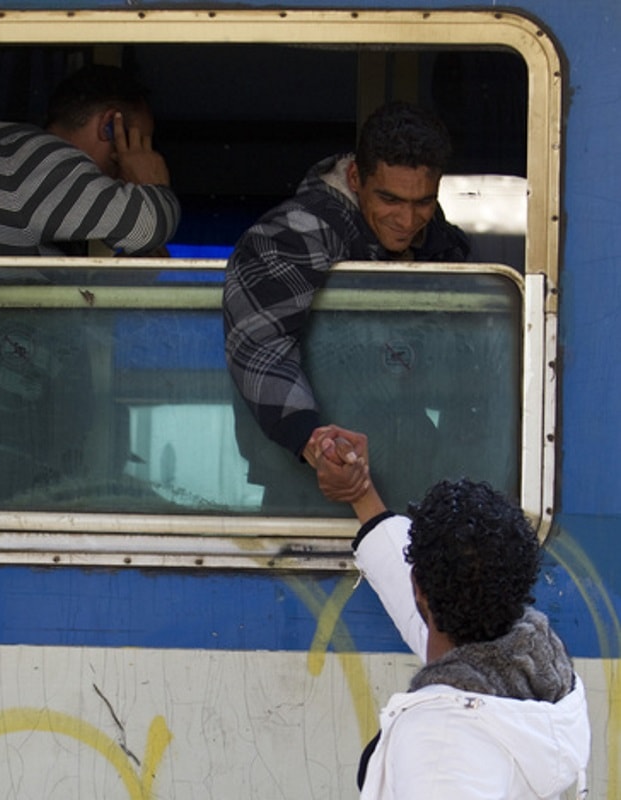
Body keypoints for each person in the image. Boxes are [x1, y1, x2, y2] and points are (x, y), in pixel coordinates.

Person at [311, 428, 590, 800]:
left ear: (420, 590)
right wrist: (361, 494)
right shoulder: (533, 672)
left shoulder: (440, 743)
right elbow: (423, 606)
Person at [223, 102, 469, 473]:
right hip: (308, 477)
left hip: (406, 471)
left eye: (423, 202)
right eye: (390, 199)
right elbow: (260, 346)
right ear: (355, 177)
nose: (407, 220)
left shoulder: (439, 241)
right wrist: (316, 445)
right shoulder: (297, 232)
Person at [0, 63, 180, 257]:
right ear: (110, 125)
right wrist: (153, 186)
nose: (138, 157)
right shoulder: (38, 158)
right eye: (139, 143)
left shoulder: (22, 165)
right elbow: (147, 226)